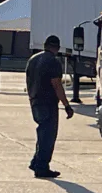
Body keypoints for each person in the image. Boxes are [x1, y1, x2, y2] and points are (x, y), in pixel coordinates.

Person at [26, 35, 74, 178]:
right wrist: (67, 105)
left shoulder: (33, 59)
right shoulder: (53, 62)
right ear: (57, 48)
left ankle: (36, 161)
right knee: (48, 136)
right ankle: (41, 167)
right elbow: (57, 85)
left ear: (45, 45)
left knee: (42, 133)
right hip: (48, 103)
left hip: (35, 101)